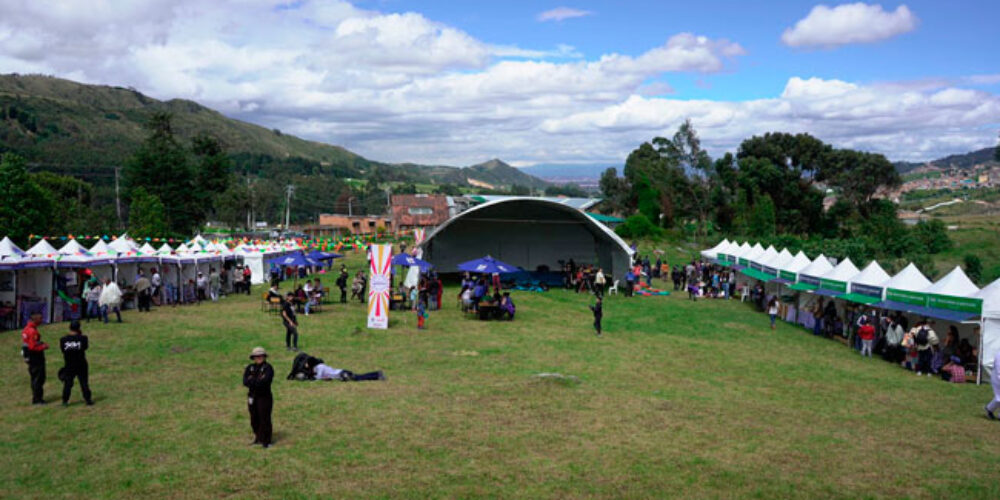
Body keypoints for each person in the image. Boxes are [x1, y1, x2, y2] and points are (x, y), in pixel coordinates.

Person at [243, 347, 274, 448]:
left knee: (264, 418)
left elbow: (265, 382)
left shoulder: (268, 368)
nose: (259, 358)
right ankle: (258, 437)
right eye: (256, 356)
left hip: (264, 397)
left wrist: (253, 381)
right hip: (252, 397)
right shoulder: (250, 368)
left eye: (261, 356)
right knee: (254, 419)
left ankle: (267, 441)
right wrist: (256, 381)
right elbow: (245, 381)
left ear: (264, 357)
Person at [59, 320, 93, 406]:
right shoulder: (83, 338)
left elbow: (63, 350)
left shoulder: (63, 340)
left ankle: (65, 401)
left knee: (68, 383)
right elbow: (85, 347)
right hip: (81, 363)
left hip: (69, 364)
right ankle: (88, 400)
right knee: (84, 382)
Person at [22, 311, 49, 405]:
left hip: (30, 356)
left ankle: (35, 397)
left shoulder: (26, 328)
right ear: (36, 319)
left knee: (34, 377)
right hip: (36, 357)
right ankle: (38, 399)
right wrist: (43, 346)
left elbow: (26, 344)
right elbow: (32, 346)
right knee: (39, 378)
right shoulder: (33, 331)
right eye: (40, 318)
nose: (42, 320)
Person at [986, 349, 1000, 420]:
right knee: (998, 399)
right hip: (997, 379)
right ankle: (989, 409)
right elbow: (998, 370)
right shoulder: (999, 355)